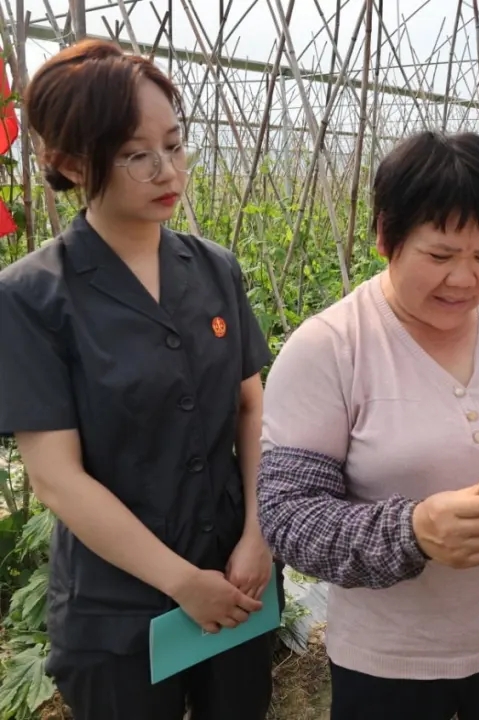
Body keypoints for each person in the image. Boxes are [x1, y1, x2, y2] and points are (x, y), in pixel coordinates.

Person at [257, 130, 479, 720]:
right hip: (391, 670)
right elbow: (290, 515)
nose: (465, 279)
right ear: (385, 238)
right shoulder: (330, 348)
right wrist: (412, 532)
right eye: (440, 256)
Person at [0, 39, 282, 719]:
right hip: (116, 609)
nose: (167, 170)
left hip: (234, 574)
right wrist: (183, 582)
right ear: (71, 162)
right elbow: (57, 478)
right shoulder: (33, 296)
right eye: (136, 154)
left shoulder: (213, 268)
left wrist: (257, 533)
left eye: (175, 145)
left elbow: (251, 407)